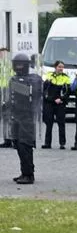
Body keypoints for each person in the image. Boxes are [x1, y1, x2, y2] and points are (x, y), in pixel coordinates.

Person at [5, 53, 42, 184]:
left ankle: (29, 174)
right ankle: (24, 172)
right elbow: (12, 98)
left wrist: (17, 85)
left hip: (26, 117)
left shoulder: (33, 79)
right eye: (16, 64)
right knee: (17, 145)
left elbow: (33, 94)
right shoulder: (14, 79)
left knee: (25, 145)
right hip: (16, 116)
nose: (18, 67)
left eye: (20, 64)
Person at [42, 61, 70, 150]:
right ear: (55, 67)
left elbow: (67, 91)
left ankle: (62, 143)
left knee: (61, 123)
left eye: (62, 67)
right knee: (49, 123)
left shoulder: (66, 77)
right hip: (49, 102)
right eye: (59, 67)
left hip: (60, 103)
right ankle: (47, 143)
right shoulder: (49, 75)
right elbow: (45, 89)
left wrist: (61, 99)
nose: (61, 68)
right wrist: (52, 99)